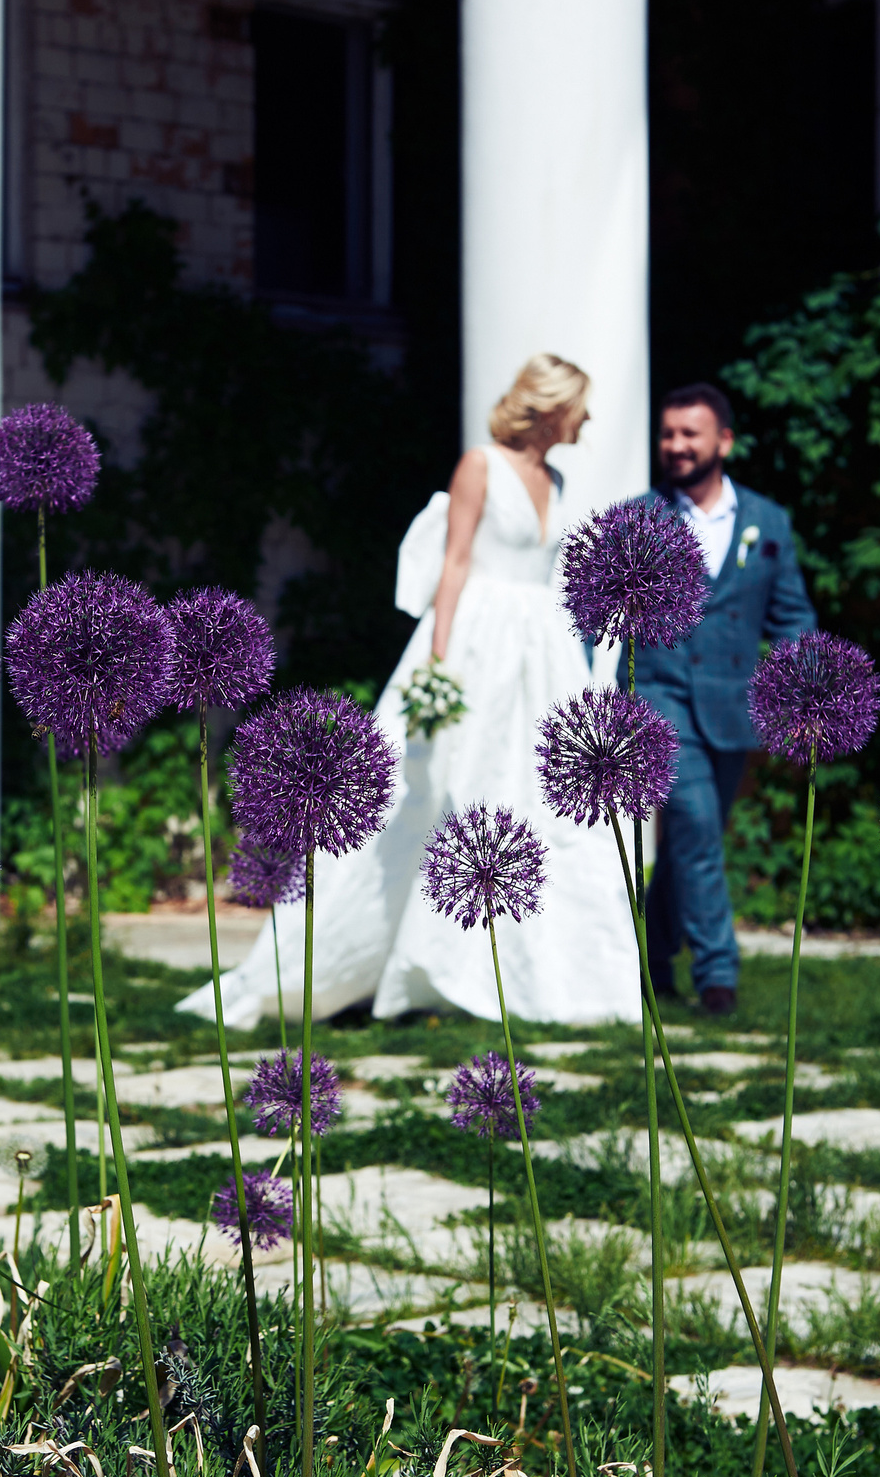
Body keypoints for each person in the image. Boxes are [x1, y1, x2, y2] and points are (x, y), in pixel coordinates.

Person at [178, 354, 644, 1030]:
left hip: (541, 656)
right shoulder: (480, 466)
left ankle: (536, 976)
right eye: (580, 405)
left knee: (540, 801)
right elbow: (453, 564)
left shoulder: (559, 480)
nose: (589, 418)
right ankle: (395, 961)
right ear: (551, 407)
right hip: (476, 643)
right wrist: (438, 667)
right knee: (438, 791)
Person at [624, 383, 816, 1016]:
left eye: (690, 433)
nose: (676, 445)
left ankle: (652, 958)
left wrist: (805, 695)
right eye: (668, 434)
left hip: (735, 706)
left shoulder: (768, 521)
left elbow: (791, 619)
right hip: (659, 695)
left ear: (723, 441)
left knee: (692, 839)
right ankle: (717, 975)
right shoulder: (638, 517)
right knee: (697, 823)